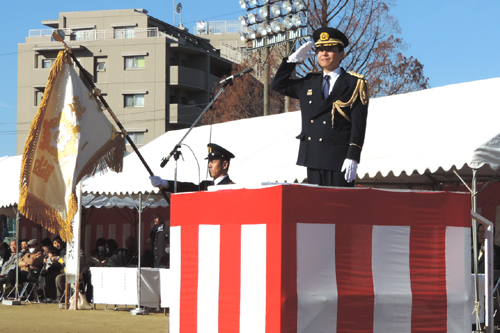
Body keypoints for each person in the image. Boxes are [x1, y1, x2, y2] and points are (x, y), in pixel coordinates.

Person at [272, 27, 369, 187]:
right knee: (316, 207)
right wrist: (291, 62)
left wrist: (353, 155)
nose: (324, 54)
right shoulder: (309, 82)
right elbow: (278, 85)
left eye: (330, 50)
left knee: (339, 207)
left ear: (342, 54)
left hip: (339, 156)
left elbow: (359, 124)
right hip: (314, 154)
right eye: (320, 50)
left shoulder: (354, 83)